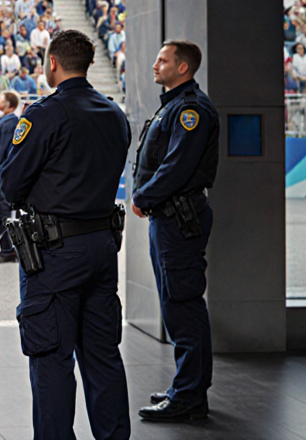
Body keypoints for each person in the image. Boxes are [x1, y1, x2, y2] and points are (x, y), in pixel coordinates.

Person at [0, 29, 131, 440]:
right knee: (103, 357)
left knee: (52, 357)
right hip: (102, 246)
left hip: (54, 254)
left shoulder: (45, 113)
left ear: (52, 62)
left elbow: (11, 184)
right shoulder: (113, 113)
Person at [132, 40, 220, 423]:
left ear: (182, 68)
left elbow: (177, 167)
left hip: (177, 217)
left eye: (163, 60)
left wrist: (142, 196)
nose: (155, 64)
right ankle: (189, 386)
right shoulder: (174, 106)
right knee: (177, 302)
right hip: (168, 217)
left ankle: (188, 396)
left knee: (182, 305)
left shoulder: (191, 110)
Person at [0, 90, 20, 264]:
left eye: (1, 99)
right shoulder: (15, 122)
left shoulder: (5, 123)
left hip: (3, 171)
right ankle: (13, 247)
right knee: (12, 210)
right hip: (11, 170)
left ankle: (6, 249)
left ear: (9, 104)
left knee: (4, 210)